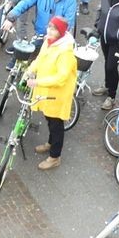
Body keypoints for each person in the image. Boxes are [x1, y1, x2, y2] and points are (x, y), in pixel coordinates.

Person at [21, 15, 77, 169]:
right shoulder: (48, 42)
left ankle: (54, 156)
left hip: (57, 95)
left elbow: (61, 78)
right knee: (49, 119)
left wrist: (37, 81)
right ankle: (50, 143)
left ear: (61, 32)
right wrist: (29, 71)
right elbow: (39, 60)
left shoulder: (66, 52)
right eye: (49, 27)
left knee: (56, 124)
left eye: (54, 29)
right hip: (47, 91)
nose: (50, 31)